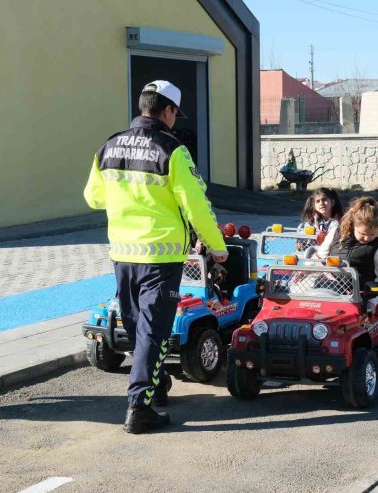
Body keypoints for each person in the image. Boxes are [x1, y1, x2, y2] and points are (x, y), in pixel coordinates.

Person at [84, 80, 228, 434]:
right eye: (176, 114)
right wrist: (218, 247)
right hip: (160, 255)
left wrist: (127, 196)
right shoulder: (172, 150)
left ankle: (155, 384)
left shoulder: (109, 145)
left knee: (136, 326)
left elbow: (93, 198)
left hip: (122, 251)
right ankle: (139, 407)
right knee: (155, 331)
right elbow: (197, 206)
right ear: (168, 111)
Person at [327, 197, 378, 309]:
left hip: (359, 294)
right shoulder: (337, 234)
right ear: (353, 225)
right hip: (330, 286)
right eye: (362, 233)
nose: (366, 238)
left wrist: (373, 301)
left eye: (372, 234)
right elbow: (321, 256)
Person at [298, 187, 344, 258]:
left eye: (324, 200)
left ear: (332, 202)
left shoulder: (340, 222)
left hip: (331, 255)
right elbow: (302, 242)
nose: (321, 203)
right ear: (314, 205)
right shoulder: (311, 222)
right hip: (313, 254)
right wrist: (300, 242)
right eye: (318, 201)